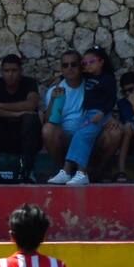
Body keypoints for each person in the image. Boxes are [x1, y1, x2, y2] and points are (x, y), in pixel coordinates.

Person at [42, 51, 122, 184]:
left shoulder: (91, 83)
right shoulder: (55, 89)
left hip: (92, 134)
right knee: (47, 130)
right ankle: (64, 171)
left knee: (115, 132)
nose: (70, 68)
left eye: (74, 64)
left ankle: (96, 172)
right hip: (65, 138)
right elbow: (47, 120)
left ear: (81, 67)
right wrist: (52, 100)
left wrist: (108, 116)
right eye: (65, 65)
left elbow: (106, 100)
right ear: (61, 68)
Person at [0, 55, 41, 183]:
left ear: (20, 71)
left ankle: (28, 169)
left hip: (24, 137)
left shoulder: (29, 83)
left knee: (30, 118)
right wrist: (15, 114)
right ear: (2, 72)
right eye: (7, 71)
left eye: (14, 70)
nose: (10, 74)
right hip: (1, 136)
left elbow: (31, 105)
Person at [115, 71, 134, 182]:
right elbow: (126, 122)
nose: (128, 94)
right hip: (128, 136)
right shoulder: (122, 103)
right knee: (128, 128)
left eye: (131, 90)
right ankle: (121, 169)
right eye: (124, 91)